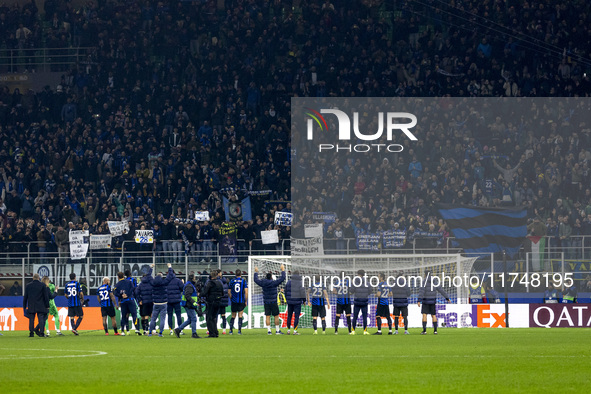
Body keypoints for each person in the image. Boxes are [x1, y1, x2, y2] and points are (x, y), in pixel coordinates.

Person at [254, 264, 286, 335]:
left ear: (266, 277)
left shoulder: (263, 283)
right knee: (276, 316)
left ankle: (269, 331)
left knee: (267, 316)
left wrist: (256, 272)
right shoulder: (274, 283)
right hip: (273, 302)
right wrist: (283, 270)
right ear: (271, 277)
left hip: (266, 302)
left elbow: (256, 280)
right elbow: (282, 278)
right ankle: (277, 331)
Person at [147, 263, 175, 337]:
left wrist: (151, 268)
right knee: (162, 319)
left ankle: (150, 332)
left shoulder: (153, 282)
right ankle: (160, 333)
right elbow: (170, 276)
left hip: (156, 303)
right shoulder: (164, 282)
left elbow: (148, 277)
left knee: (153, 319)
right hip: (163, 303)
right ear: (162, 276)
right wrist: (169, 267)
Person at [174, 273, 202, 338]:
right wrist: (193, 302)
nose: (195, 279)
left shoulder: (189, 284)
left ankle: (178, 329)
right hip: (189, 304)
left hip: (188, 304)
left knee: (190, 319)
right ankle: (194, 333)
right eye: (194, 277)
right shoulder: (189, 285)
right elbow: (187, 295)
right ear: (192, 278)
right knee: (193, 319)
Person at [23, 273, 49, 337]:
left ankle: (31, 333)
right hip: (40, 305)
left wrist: (24, 306)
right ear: (38, 278)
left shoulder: (28, 286)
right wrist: (47, 305)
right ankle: (42, 333)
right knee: (41, 319)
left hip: (31, 305)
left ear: (33, 278)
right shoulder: (42, 285)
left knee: (31, 319)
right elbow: (46, 296)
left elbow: (25, 297)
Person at [114, 271, 140, 336]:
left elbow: (115, 292)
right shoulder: (129, 282)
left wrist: (121, 295)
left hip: (123, 301)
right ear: (123, 276)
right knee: (134, 314)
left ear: (118, 277)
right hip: (130, 300)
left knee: (124, 316)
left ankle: (122, 331)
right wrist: (127, 295)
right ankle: (137, 329)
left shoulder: (117, 284)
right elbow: (133, 288)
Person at [202, 269, 224, 338]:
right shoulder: (220, 283)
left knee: (209, 318)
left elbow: (205, 293)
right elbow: (222, 293)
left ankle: (211, 333)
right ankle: (216, 332)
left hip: (211, 302)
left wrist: (200, 294)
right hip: (218, 302)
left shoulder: (210, 283)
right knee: (214, 317)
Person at [228, 269, 248, 335]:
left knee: (233, 315)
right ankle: (239, 331)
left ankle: (230, 330)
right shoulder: (243, 281)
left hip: (234, 301)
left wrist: (231, 297)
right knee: (240, 315)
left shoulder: (232, 281)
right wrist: (246, 300)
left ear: (235, 274)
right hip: (241, 300)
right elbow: (246, 292)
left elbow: (229, 292)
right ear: (241, 274)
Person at [351, 270, 370, 335]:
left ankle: (353, 331)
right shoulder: (367, 283)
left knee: (355, 317)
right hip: (364, 302)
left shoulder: (355, 282)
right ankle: (365, 331)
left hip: (357, 302)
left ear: (358, 274)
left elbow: (351, 291)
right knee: (365, 317)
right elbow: (370, 291)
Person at [285, 270, 304, 335]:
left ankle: (288, 330)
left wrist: (287, 299)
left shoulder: (288, 282)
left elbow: (285, 291)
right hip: (297, 302)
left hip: (290, 302)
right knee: (296, 316)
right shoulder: (300, 283)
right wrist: (304, 301)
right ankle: (295, 331)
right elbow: (302, 292)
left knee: (289, 316)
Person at [166, 267, 184, 335]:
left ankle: (170, 330)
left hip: (168, 301)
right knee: (178, 315)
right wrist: (182, 283)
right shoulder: (178, 280)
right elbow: (183, 288)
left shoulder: (166, 281)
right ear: (174, 273)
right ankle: (180, 329)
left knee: (170, 315)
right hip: (176, 300)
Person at [135, 271, 154, 335]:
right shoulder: (151, 283)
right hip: (150, 301)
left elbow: (136, 292)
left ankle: (144, 330)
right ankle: (152, 329)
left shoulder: (140, 285)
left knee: (143, 316)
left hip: (143, 302)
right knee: (151, 315)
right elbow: (153, 292)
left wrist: (139, 300)